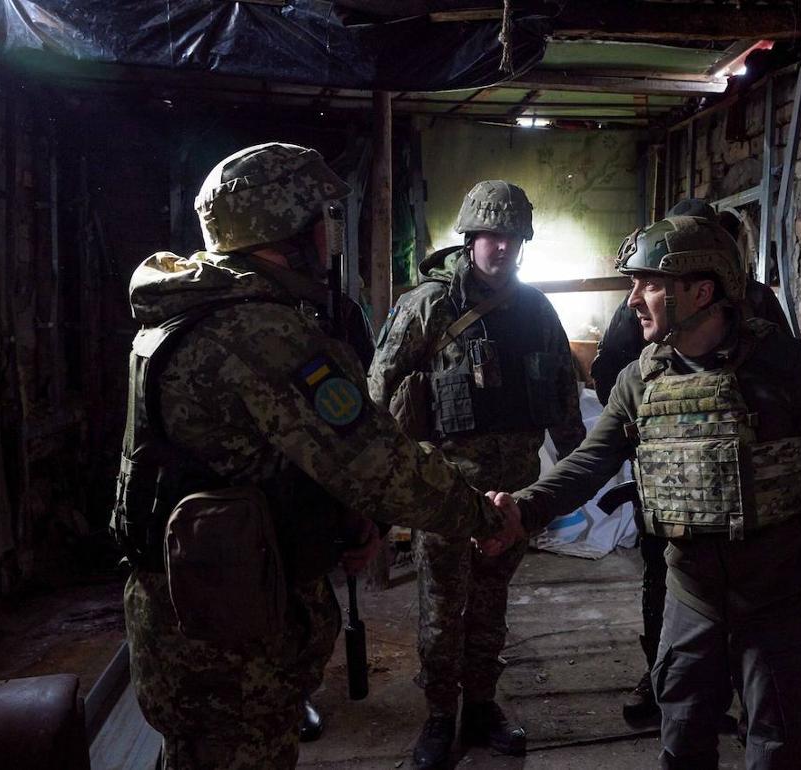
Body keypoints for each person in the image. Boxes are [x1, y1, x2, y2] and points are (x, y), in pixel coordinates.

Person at [111, 143, 523, 770]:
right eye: (325, 220)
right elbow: (377, 462)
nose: (332, 237)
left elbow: (253, 463)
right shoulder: (261, 333)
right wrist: (484, 518)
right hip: (230, 633)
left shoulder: (186, 311)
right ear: (288, 227)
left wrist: (340, 522)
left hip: (187, 605)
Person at [486, 214, 801, 769]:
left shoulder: (789, 370)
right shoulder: (639, 380)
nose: (632, 301)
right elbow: (589, 463)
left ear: (701, 291)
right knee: (684, 744)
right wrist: (523, 511)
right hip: (691, 595)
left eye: (648, 283)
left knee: (778, 750)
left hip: (781, 597)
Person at [367, 180, 585, 769]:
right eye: (491, 235)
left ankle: (481, 707)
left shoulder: (537, 309)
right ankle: (439, 718)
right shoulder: (428, 305)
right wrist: (378, 486)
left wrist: (576, 475)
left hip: (512, 492)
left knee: (491, 602)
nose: (502, 247)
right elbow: (376, 389)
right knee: (442, 607)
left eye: (512, 236)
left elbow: (564, 395)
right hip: (443, 489)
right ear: (469, 237)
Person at [588, 198, 793, 726]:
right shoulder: (649, 303)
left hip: (747, 493)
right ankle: (660, 669)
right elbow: (610, 371)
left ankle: (746, 687)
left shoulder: (754, 303)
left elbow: (779, 373)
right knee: (664, 574)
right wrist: (654, 425)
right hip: (671, 476)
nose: (638, 295)